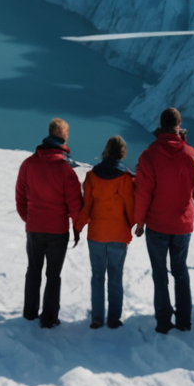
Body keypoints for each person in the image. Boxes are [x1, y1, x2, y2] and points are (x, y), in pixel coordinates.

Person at [134, 107, 194, 333]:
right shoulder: (191, 155)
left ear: (161, 124)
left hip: (157, 226)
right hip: (182, 225)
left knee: (160, 274)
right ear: (178, 125)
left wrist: (139, 222)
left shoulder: (150, 155)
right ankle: (184, 320)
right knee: (180, 272)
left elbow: (143, 192)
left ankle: (164, 321)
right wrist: (188, 195)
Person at [13, 117, 83, 328]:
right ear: (64, 137)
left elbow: (20, 196)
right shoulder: (65, 170)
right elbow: (74, 204)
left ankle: (29, 312)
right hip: (57, 231)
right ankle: (49, 317)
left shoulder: (28, 164)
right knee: (53, 275)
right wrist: (77, 227)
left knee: (33, 270)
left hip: (34, 228)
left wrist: (29, 218)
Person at [76, 136, 136, 329]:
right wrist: (130, 226)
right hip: (118, 235)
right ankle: (114, 318)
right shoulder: (126, 178)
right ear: (122, 153)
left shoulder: (92, 176)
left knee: (98, 276)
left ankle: (97, 317)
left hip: (96, 235)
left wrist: (77, 228)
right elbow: (131, 209)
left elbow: (86, 207)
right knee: (116, 276)